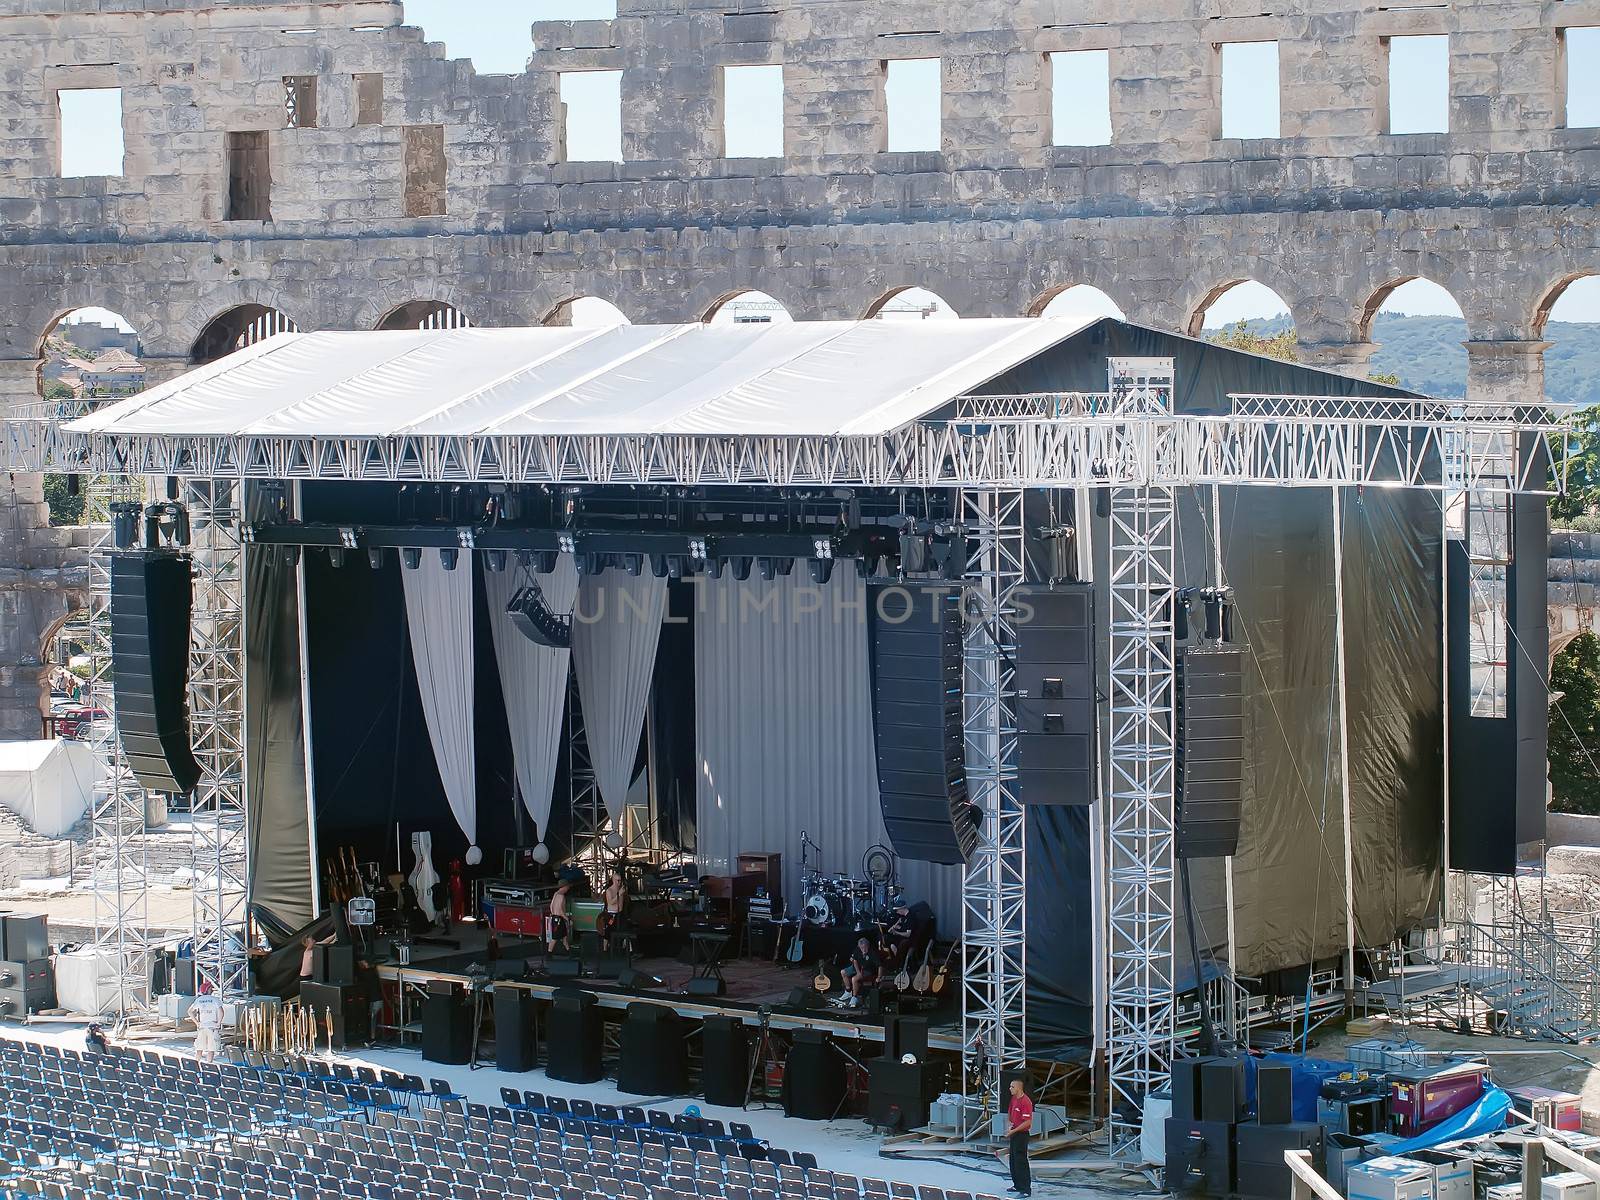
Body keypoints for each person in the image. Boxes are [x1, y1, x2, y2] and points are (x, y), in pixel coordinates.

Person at [998, 1076, 1033, 1197]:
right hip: (1014, 1132)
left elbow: (1027, 1122)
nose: (1010, 1089)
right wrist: (1009, 1125)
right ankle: (1017, 1185)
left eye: (1012, 1087)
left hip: (1021, 1135)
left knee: (1021, 1161)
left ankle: (1026, 1189)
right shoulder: (1014, 1099)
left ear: (1018, 1088)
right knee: (1013, 1160)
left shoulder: (1025, 1101)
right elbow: (1010, 1112)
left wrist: (1013, 1131)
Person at [832, 935, 880, 1010]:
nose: (863, 949)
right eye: (861, 948)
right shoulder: (857, 950)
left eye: (865, 947)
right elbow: (855, 961)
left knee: (854, 979)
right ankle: (848, 991)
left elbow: (880, 966)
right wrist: (858, 972)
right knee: (843, 972)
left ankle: (854, 997)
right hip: (857, 968)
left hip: (868, 970)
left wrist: (879, 977)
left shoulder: (873, 953)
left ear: (868, 946)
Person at [601, 868, 627, 952]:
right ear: (613, 880)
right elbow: (611, 902)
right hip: (611, 914)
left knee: (623, 930)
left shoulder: (621, 889)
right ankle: (604, 949)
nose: (619, 883)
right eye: (617, 880)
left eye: (620, 881)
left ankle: (625, 948)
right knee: (608, 932)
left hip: (620, 913)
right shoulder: (609, 890)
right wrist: (619, 894)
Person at [547, 879, 573, 954]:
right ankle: (549, 953)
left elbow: (551, 906)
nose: (568, 889)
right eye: (567, 887)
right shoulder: (561, 896)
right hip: (558, 919)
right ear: (565, 887)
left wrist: (553, 914)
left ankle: (569, 951)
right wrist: (567, 919)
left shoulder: (556, 894)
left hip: (555, 917)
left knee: (564, 937)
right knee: (555, 938)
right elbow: (560, 910)